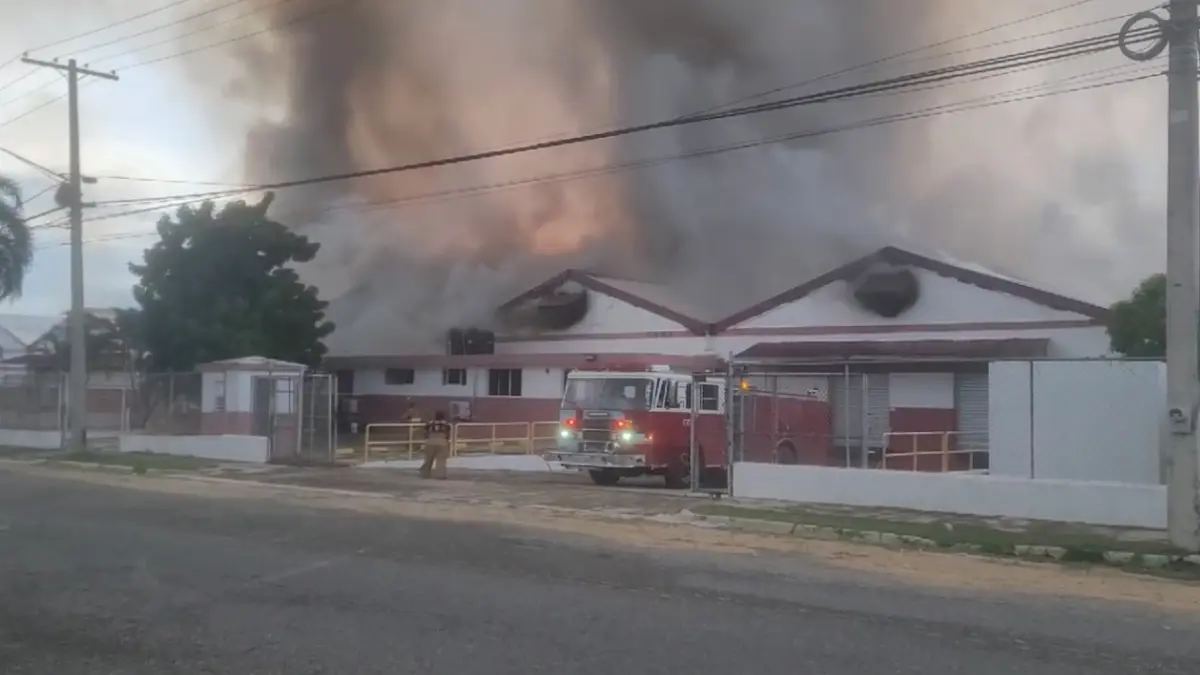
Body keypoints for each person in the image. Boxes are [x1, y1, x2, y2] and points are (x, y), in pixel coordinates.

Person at [419, 411, 452, 480]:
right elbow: (448, 433)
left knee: (428, 459)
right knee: (441, 459)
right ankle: (440, 475)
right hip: (442, 441)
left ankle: (425, 474)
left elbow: (425, 431)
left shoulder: (430, 423)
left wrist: (426, 438)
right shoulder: (446, 424)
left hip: (430, 440)